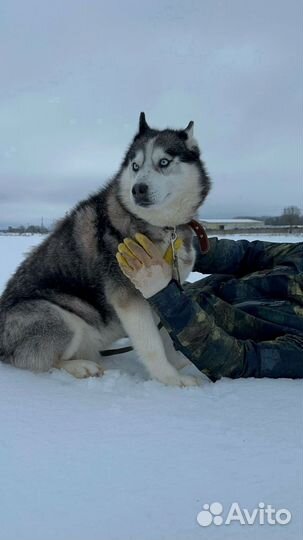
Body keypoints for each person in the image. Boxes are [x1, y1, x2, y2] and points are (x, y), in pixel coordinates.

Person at [116, 233, 303, 381]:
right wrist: (180, 247)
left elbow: (238, 362)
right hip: (169, 289)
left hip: (170, 332)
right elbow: (245, 254)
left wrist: (163, 294)